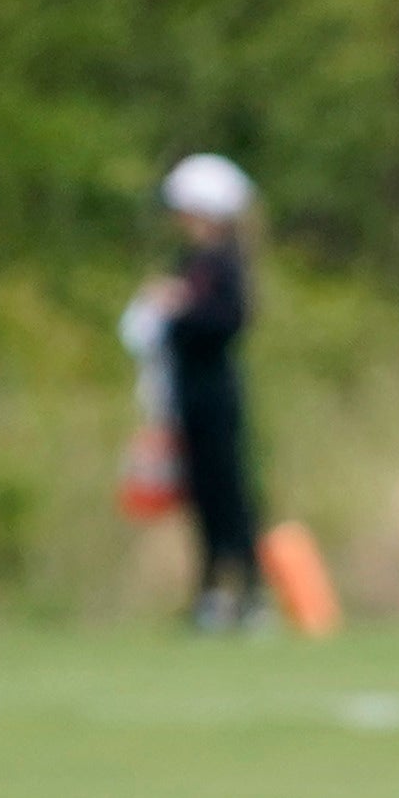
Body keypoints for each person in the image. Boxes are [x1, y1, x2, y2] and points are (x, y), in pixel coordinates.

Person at [154, 154, 263, 633]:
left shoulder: (224, 264)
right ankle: (211, 594)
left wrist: (181, 311)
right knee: (198, 497)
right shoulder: (190, 262)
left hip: (216, 394)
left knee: (230, 495)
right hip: (187, 396)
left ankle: (253, 593)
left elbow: (230, 321)